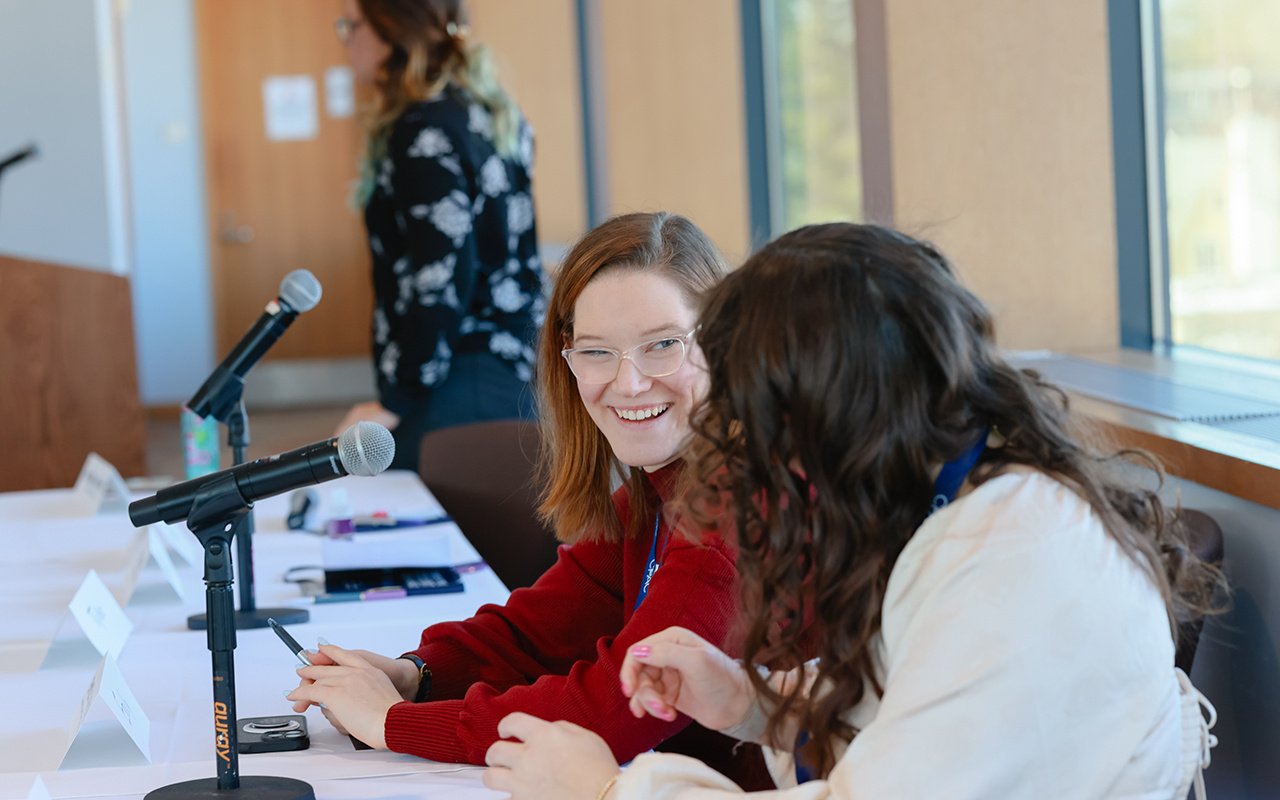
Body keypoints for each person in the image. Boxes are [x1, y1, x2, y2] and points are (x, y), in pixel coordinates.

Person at [483, 223, 1224, 799]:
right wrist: (749, 700)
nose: (742, 445)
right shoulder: (969, 506)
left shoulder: (1018, 555)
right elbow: (912, 703)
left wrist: (607, 788)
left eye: (756, 415)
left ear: (836, 413)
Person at [288, 212, 771, 789]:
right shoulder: (663, 481)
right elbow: (539, 630)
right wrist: (415, 674)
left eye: (662, 345)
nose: (629, 382)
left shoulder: (735, 510)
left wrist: (391, 723)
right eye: (596, 352)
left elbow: (615, 713)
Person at [333, 0, 544, 471]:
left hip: (456, 382)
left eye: (352, 25)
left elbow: (440, 275)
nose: (346, 38)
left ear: (392, 28)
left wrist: (399, 398)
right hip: (512, 369)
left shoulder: (422, 127)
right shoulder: (488, 109)